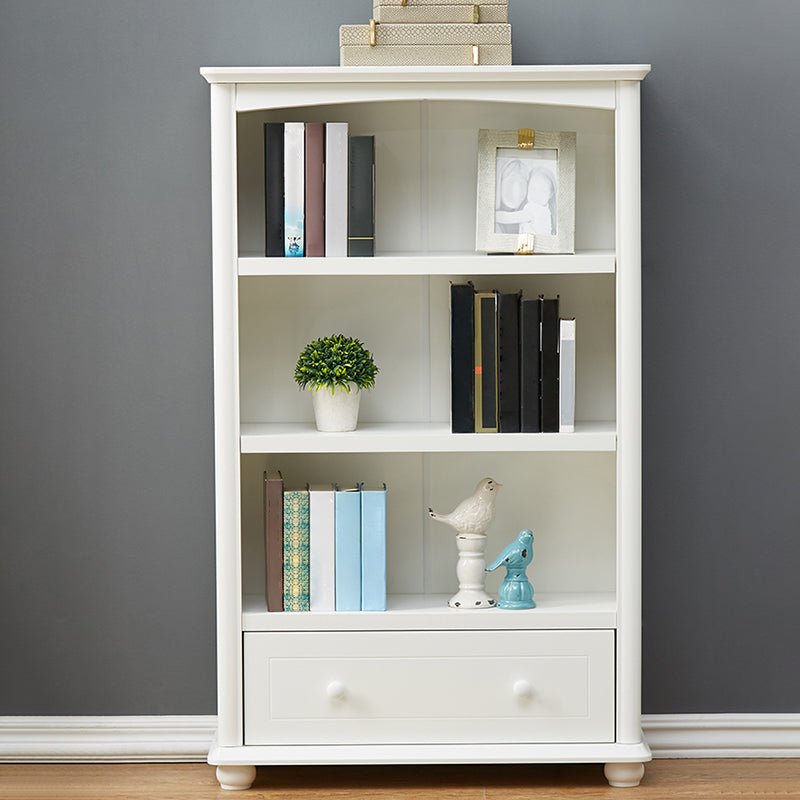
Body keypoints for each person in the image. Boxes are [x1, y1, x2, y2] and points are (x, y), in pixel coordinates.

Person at [494, 159, 557, 236]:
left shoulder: (535, 210)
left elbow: (510, 218)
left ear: (551, 194)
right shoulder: (546, 211)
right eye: (532, 189)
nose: (536, 195)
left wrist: (493, 215)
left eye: (542, 191)